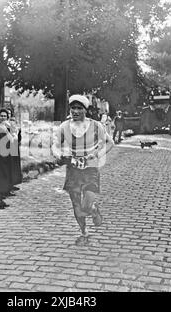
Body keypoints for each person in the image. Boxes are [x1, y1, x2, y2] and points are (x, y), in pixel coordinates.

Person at [52, 95, 114, 246]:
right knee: (76, 206)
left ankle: (93, 209)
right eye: (73, 108)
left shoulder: (95, 126)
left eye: (79, 108)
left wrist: (97, 155)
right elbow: (54, 145)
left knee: (86, 204)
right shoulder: (64, 127)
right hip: (73, 170)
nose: (75, 111)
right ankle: (84, 232)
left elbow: (110, 142)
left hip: (90, 169)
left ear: (86, 110)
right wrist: (59, 154)